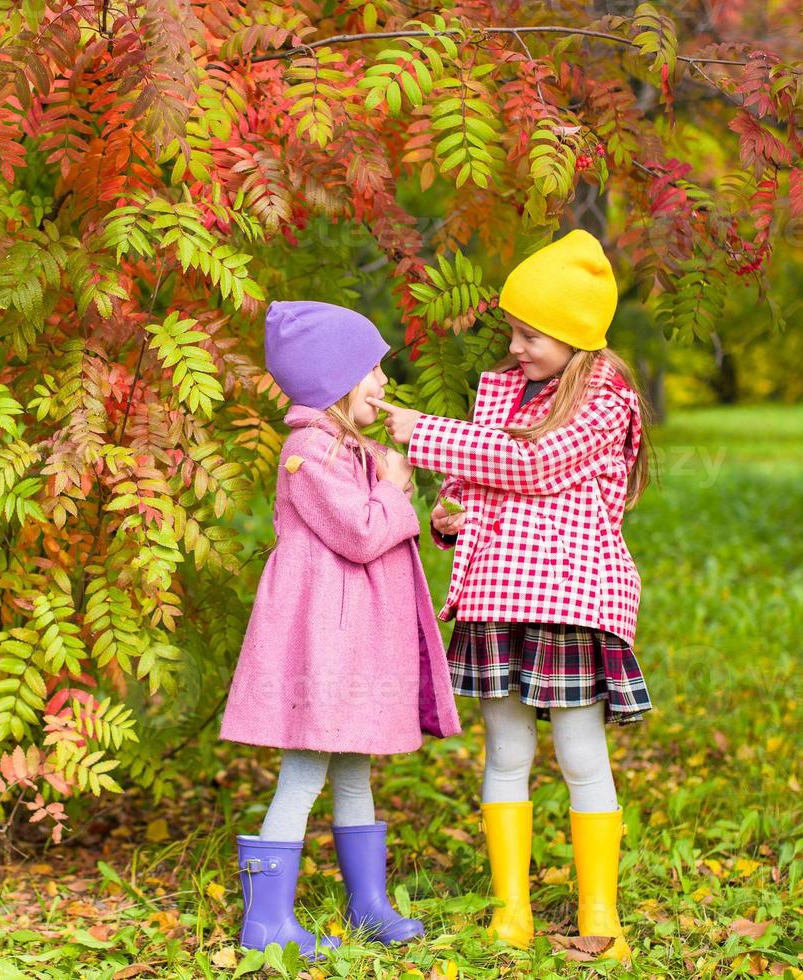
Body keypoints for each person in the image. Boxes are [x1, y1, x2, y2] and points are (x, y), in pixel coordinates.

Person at [369, 230, 654, 964]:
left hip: (569, 596)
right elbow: (479, 481)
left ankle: (601, 915)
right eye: (514, 331)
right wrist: (448, 514)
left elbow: (533, 464)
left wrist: (422, 432)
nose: (518, 346)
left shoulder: (604, 399)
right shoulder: (500, 387)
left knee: (580, 750)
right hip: (497, 593)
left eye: (532, 335)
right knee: (507, 749)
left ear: (574, 335)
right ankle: (511, 911)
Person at [220, 299, 461, 960]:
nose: (384, 385)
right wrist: (394, 489)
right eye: (374, 371)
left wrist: (408, 491)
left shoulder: (349, 448)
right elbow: (360, 534)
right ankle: (266, 923)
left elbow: (382, 525)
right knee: (302, 773)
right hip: (323, 647)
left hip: (353, 642)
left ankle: (368, 907)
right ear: (336, 380)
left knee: (355, 771)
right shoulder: (308, 452)